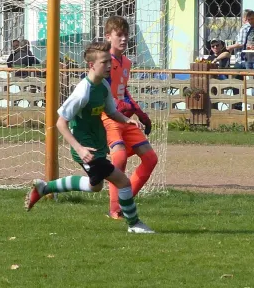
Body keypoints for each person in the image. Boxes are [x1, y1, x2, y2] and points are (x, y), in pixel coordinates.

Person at [24, 41, 155, 234]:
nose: (109, 66)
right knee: (123, 182)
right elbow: (61, 123)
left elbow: (111, 111)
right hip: (87, 150)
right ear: (91, 65)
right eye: (104, 62)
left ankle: (44, 188)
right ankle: (134, 224)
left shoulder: (102, 85)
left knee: (95, 187)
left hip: (97, 144)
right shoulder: (82, 92)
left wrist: (127, 121)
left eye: (110, 62)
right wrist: (79, 149)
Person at [102, 16, 158, 220]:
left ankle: (123, 204)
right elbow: (100, 91)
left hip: (124, 118)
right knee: (119, 157)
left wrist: (140, 113)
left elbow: (123, 92)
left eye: (126, 35)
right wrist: (118, 106)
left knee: (151, 159)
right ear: (108, 37)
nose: (124, 39)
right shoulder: (102, 61)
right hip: (107, 116)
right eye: (119, 35)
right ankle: (114, 208)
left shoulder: (126, 62)